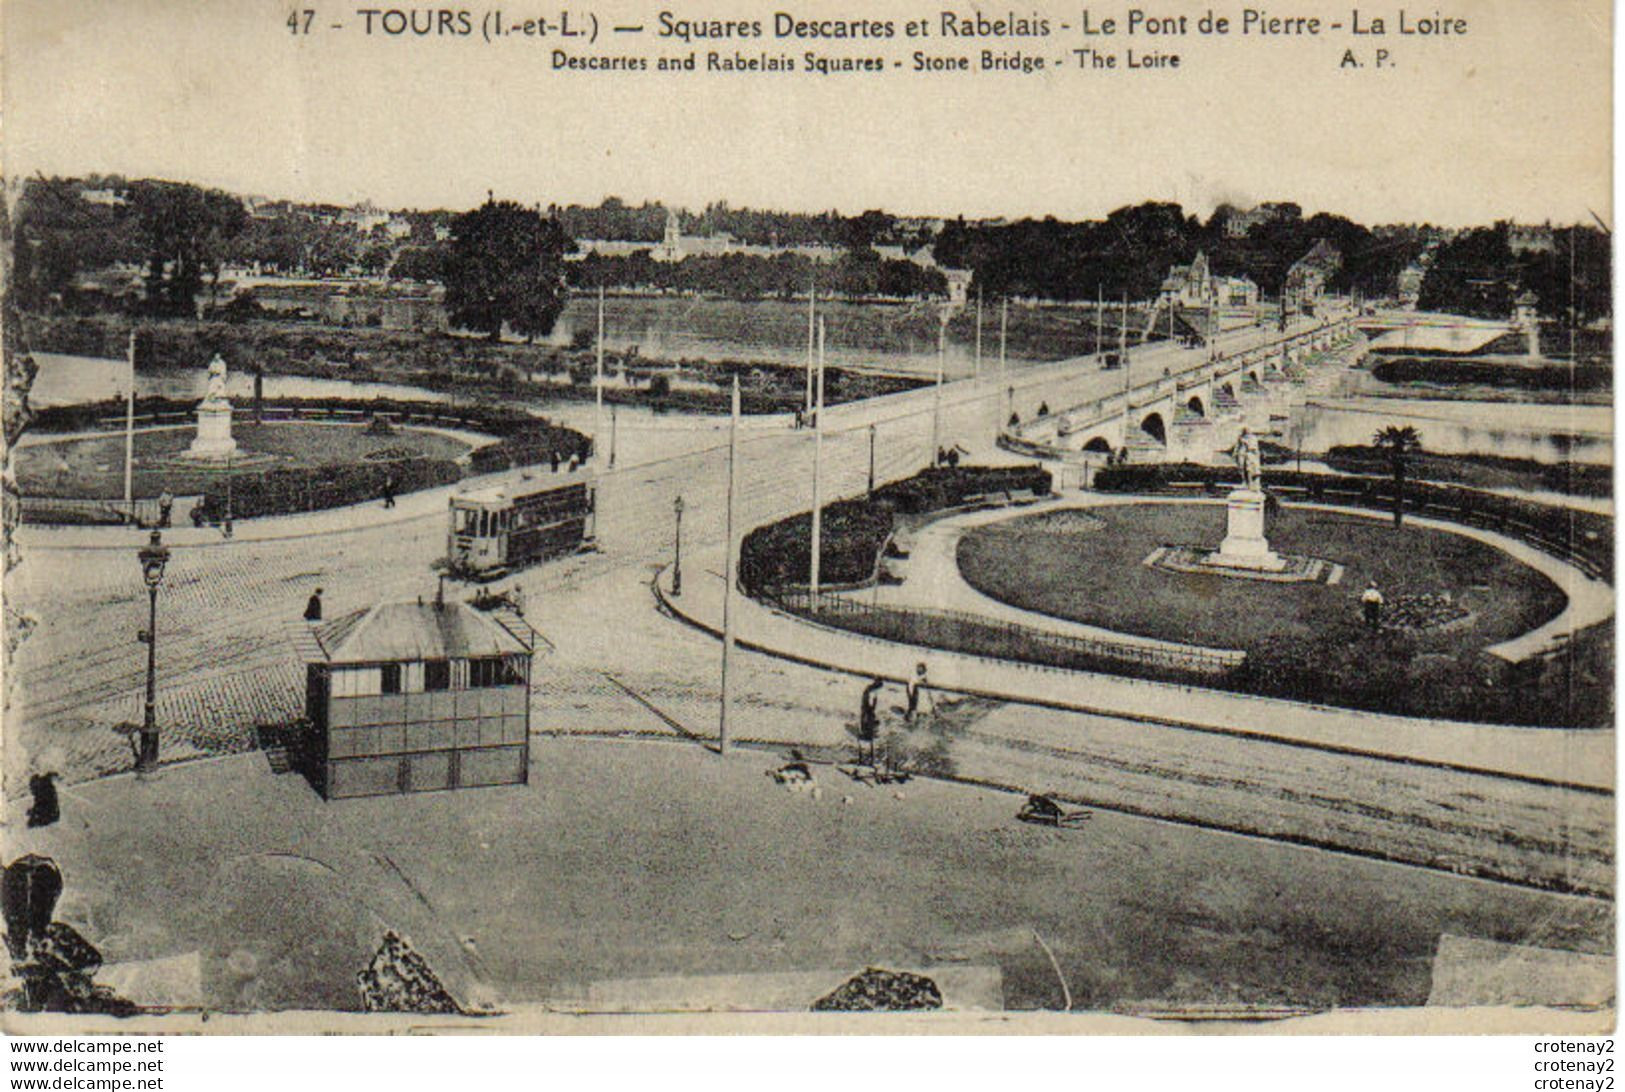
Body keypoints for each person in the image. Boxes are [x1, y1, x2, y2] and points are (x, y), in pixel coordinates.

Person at [858, 677, 884, 765]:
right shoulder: (867, 731)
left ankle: (865, 760)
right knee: (867, 705)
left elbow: (870, 710)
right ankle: (866, 760)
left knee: (867, 704)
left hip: (867, 718)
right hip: (867, 718)